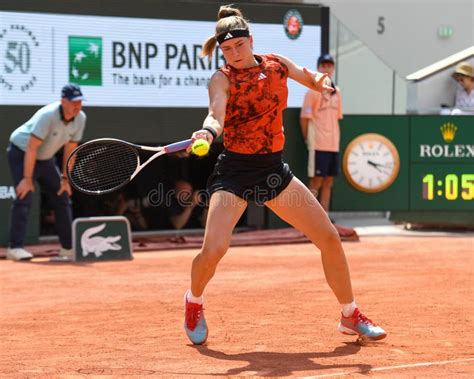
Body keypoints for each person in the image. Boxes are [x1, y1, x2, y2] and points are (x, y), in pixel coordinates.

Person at [183, 5, 386, 345]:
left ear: (250, 40)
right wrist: (206, 131)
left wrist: (322, 82)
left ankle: (349, 314)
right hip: (234, 171)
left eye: (238, 46)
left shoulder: (276, 65)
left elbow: (309, 76)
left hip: (273, 172)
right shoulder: (222, 78)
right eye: (227, 50)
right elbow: (216, 112)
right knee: (215, 249)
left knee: (329, 238)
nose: (234, 54)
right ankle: (194, 301)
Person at [6, 84, 86, 261]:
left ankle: (67, 249)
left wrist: (65, 178)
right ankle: (15, 247)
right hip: (22, 152)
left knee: (62, 195)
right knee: (24, 195)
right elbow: (31, 148)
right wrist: (27, 179)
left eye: (80, 101)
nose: (77, 106)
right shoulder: (47, 115)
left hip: (46, 158)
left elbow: (70, 151)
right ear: (63, 101)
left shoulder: (80, 118)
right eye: (74, 102)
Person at [300, 54, 342, 213]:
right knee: (316, 181)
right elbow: (304, 119)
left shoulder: (337, 92)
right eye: (323, 65)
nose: (327, 68)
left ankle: (324, 218)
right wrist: (308, 140)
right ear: (318, 68)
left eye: (329, 65)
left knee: (329, 181)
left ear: (333, 68)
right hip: (318, 144)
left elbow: (337, 118)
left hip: (333, 144)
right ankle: (309, 218)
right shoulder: (311, 92)